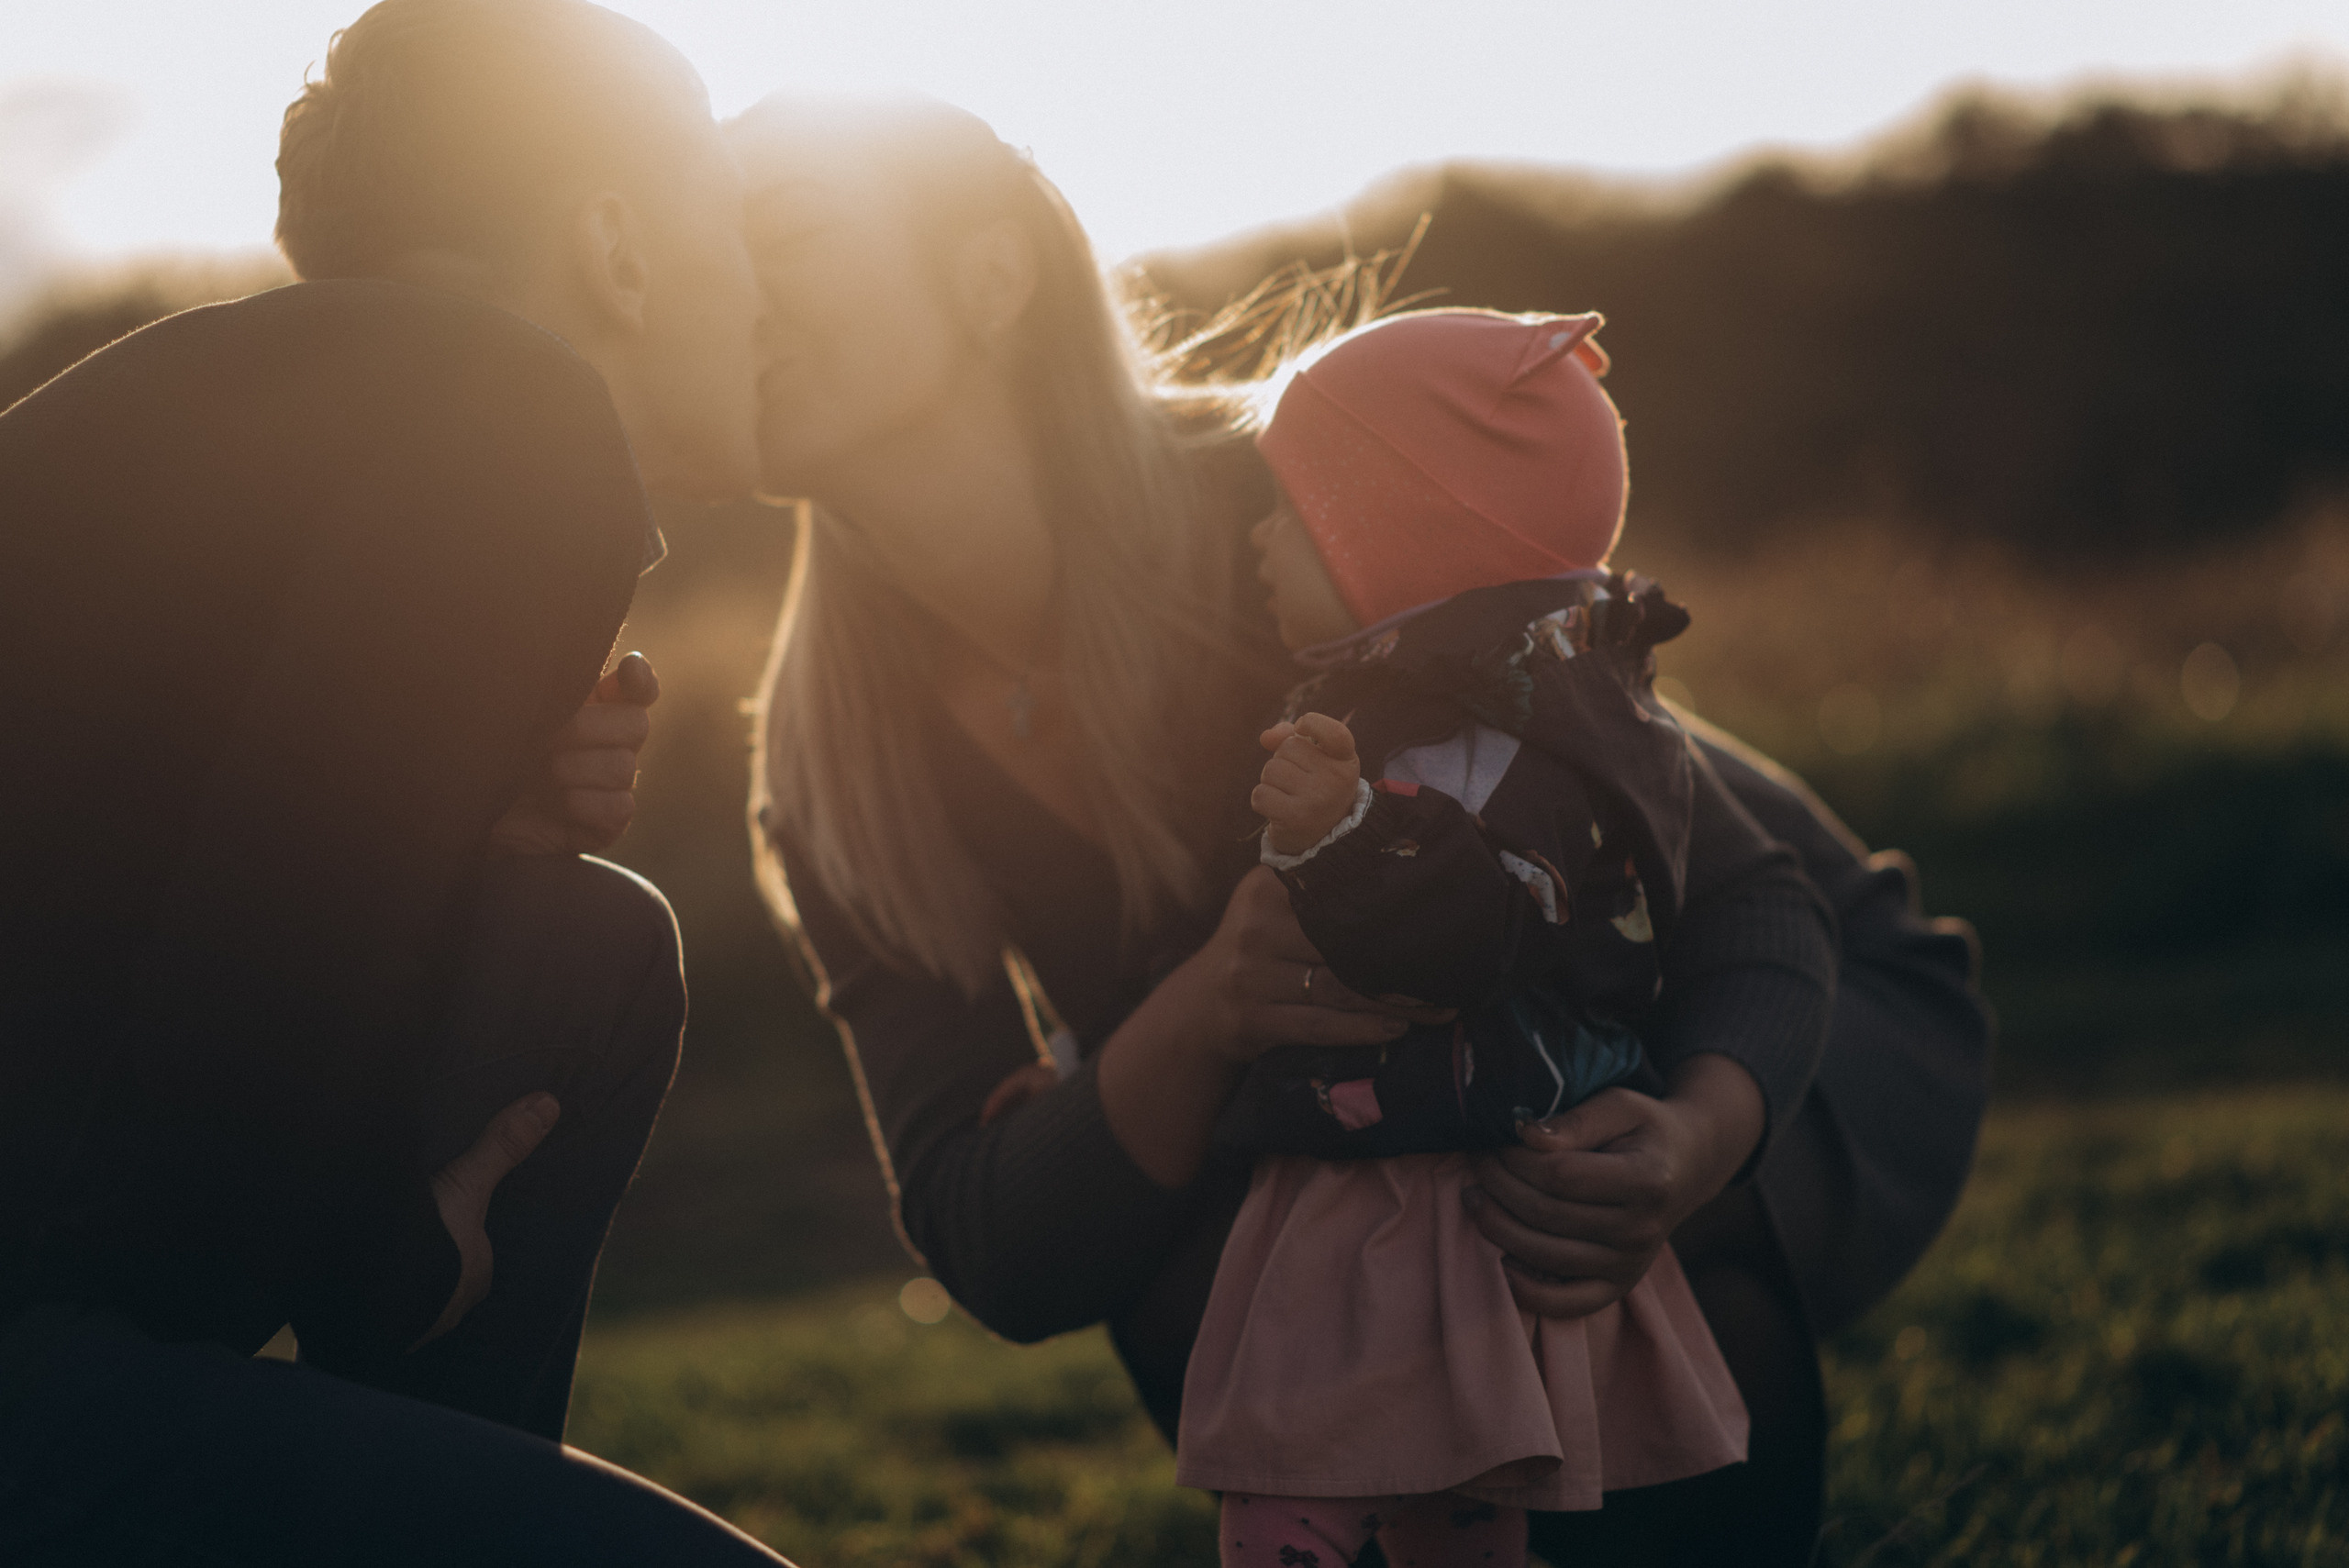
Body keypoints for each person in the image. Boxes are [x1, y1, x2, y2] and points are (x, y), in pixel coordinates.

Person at [744, 94, 1988, 1565]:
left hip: (1771, 1018)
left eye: (792, 239)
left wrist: (1701, 1134)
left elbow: (1737, 899)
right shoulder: (833, 757)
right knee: (1194, 1245)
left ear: (989, 275)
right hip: (1416, 1092)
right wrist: (1203, 1009)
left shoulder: (1291, 508)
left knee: (1551, 1185)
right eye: (717, 259)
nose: (734, 297)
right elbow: (998, 1240)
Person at [0, 2, 796, 1562]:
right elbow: (242, 1003)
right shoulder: (514, 410)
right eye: (735, 218)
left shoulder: (226, 406)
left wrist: (455, 822)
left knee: (586, 945)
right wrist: (386, 1257)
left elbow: (184, 890)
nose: (763, 293)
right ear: (617, 244)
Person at [1170, 308, 1751, 1568]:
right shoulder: (1387, 705)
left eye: (1293, 509)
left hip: (1435, 1203)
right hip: (1385, 1187)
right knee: (1439, 1509)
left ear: (1401, 533)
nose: (1258, 540)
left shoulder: (1524, 743)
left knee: (1298, 1501)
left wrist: (1344, 833)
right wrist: (1070, 1054)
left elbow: (1475, 936)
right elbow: (1242, 922)